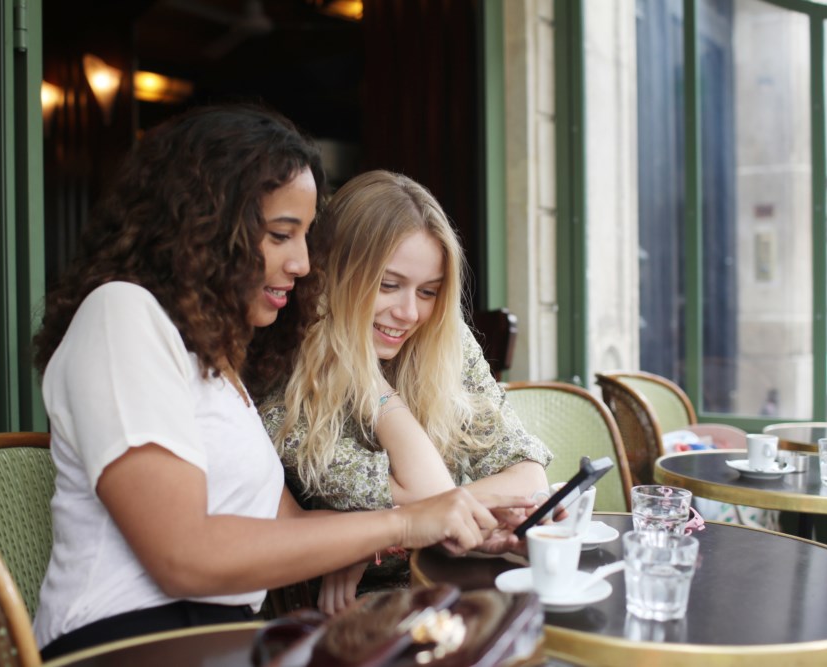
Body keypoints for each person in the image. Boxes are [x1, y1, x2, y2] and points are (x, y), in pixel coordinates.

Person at [30, 106, 531, 659]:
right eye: (281, 235)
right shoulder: (121, 314)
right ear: (205, 225)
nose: (302, 263)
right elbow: (182, 556)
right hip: (127, 641)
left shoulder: (217, 365)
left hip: (221, 638)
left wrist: (410, 533)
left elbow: (288, 524)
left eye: (306, 237)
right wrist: (405, 523)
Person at [261, 170, 555, 612]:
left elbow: (528, 478)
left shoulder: (443, 337)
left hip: (456, 585)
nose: (410, 313)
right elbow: (435, 497)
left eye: (429, 291)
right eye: (388, 285)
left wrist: (377, 535)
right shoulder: (285, 370)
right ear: (336, 272)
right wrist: (376, 388)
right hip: (360, 615)